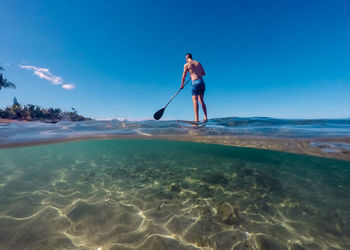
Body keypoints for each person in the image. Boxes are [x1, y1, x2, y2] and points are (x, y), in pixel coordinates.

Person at [181, 53, 208, 122]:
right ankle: (205, 117)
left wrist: (182, 85)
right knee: (201, 100)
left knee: (195, 100)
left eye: (185, 59)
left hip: (195, 82)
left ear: (187, 58)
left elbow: (183, 77)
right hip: (202, 82)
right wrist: (195, 73)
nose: (186, 60)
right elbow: (203, 73)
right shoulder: (198, 63)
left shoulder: (186, 64)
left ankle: (196, 119)